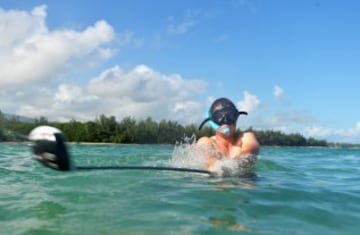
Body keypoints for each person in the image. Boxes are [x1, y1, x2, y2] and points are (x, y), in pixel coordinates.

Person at [197, 97, 260, 172]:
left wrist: (235, 164)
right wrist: (215, 165)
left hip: (242, 180)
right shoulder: (206, 141)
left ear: (236, 117)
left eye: (230, 115)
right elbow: (209, 157)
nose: (225, 120)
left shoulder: (246, 137)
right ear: (212, 121)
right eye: (219, 116)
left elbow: (249, 152)